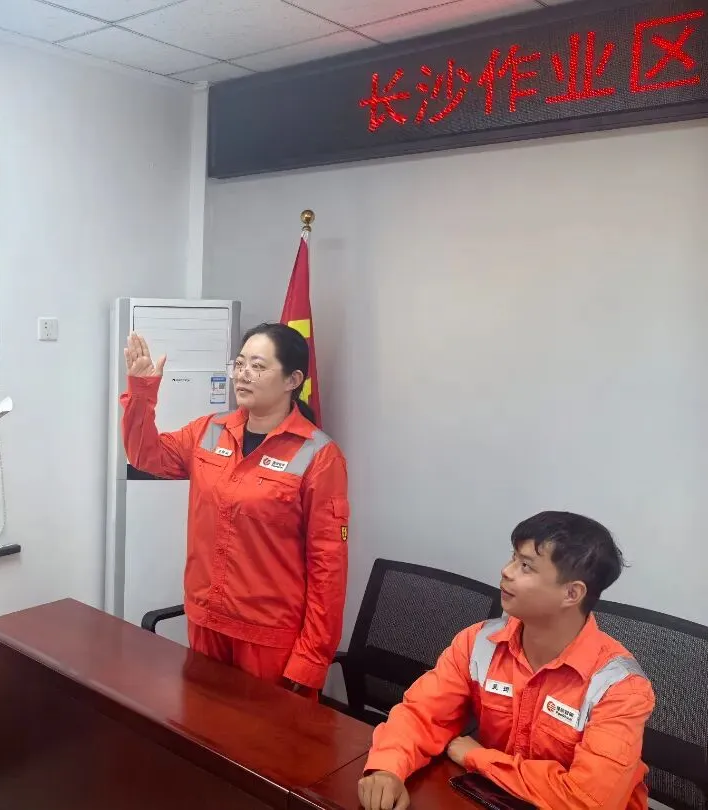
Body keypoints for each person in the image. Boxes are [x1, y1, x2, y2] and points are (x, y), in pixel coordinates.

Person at [357, 511, 654, 810]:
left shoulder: (620, 687)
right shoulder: (479, 642)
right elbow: (423, 714)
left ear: (571, 593)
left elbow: (588, 801)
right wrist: (387, 769)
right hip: (494, 798)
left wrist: (477, 757)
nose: (506, 571)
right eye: (513, 558)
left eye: (525, 566)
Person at [120, 323, 349, 695]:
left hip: (268, 636)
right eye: (239, 364)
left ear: (293, 380)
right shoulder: (210, 431)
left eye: (258, 366)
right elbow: (145, 455)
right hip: (207, 621)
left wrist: (311, 659)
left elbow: (328, 568)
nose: (243, 375)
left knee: (264, 731)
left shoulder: (319, 456)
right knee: (201, 722)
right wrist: (142, 391)